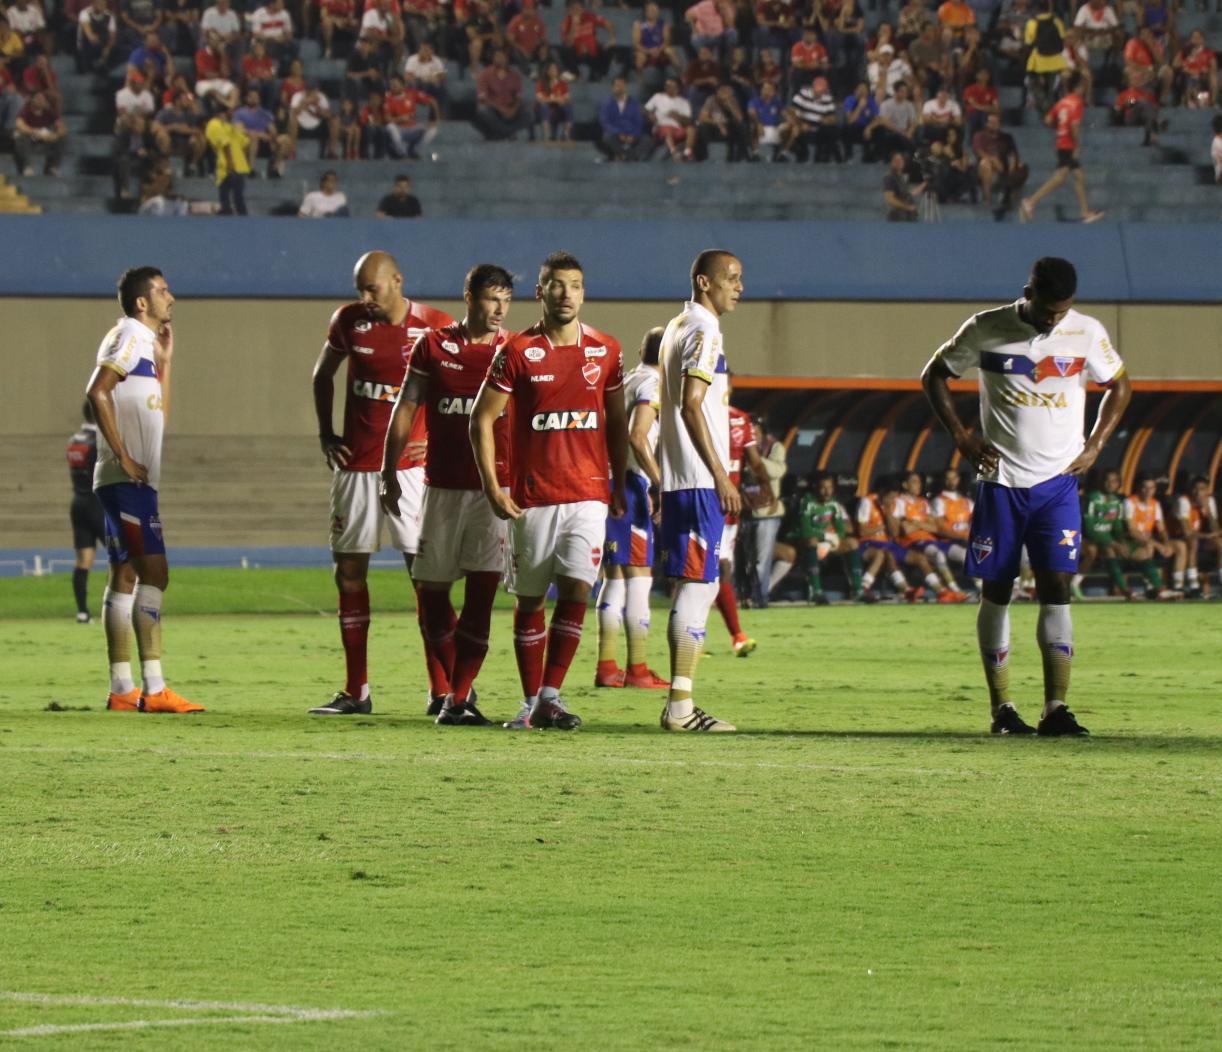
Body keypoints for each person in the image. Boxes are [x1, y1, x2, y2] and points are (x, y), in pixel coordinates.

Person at [921, 256, 1132, 736]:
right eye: (1048, 310)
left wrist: (1096, 445)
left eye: (1062, 311)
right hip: (1001, 482)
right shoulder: (986, 327)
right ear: (1029, 292)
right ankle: (1002, 709)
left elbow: (1119, 384)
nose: (1054, 319)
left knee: (1057, 588)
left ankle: (1056, 708)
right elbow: (933, 374)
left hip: (1057, 483)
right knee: (998, 591)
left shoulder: (1085, 332)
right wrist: (961, 436)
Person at [469, 251, 629, 731]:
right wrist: (493, 487)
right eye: (556, 285)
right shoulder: (518, 351)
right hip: (533, 498)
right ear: (540, 292)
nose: (566, 294)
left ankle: (550, 697)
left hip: (588, 495)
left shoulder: (606, 349)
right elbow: (482, 418)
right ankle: (528, 701)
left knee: (579, 588)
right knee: (531, 601)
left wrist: (620, 481)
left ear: (584, 292)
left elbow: (617, 422)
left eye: (575, 285)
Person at [308, 251, 454, 715]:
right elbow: (322, 374)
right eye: (359, 289)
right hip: (355, 468)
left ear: (397, 281)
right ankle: (357, 691)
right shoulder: (348, 321)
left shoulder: (434, 325)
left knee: (427, 580)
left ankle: (444, 691)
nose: (364, 298)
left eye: (372, 288)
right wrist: (327, 435)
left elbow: (458, 389)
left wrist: (433, 440)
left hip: (412, 473)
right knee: (349, 575)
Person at [379, 264, 514, 726]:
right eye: (491, 298)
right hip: (440, 488)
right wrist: (388, 468)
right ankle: (457, 690)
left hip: (491, 491)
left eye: (505, 301)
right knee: (431, 591)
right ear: (469, 296)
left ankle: (457, 698)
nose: (498, 309)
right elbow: (406, 407)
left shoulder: (512, 351)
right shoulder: (433, 346)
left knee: (480, 596)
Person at [84, 268, 202, 714]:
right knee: (156, 575)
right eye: (162, 290)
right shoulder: (129, 334)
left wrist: (166, 363)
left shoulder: (144, 349)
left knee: (126, 576)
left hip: (129, 483)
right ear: (141, 302)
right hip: (128, 483)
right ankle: (154, 690)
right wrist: (124, 457)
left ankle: (122, 688)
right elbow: (98, 392)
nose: (170, 296)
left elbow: (157, 419)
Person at [655, 250, 744, 732]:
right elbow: (692, 406)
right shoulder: (705, 330)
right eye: (731, 279)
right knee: (697, 585)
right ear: (704, 282)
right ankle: (680, 708)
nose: (739, 287)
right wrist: (722, 473)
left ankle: (681, 703)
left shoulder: (676, 326)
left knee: (703, 583)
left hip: (682, 479)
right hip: (697, 479)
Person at [595, 328, 670, 691]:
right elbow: (637, 436)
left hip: (604, 481)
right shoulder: (654, 384)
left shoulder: (626, 379)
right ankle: (637, 668)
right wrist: (659, 483)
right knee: (640, 577)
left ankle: (608, 666)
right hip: (629, 484)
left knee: (616, 577)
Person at [714, 401, 768, 650]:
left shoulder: (740, 418)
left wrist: (765, 486)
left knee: (721, 570)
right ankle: (693, 637)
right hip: (703, 500)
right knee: (704, 570)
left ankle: (735, 636)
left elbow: (754, 460)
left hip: (730, 506)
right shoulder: (694, 409)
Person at [1020, 73, 1104, 223]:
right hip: (1068, 144)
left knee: (1078, 176)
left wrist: (1060, 128)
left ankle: (1085, 212)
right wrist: (1076, 145)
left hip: (1060, 141)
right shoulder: (1077, 103)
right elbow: (1074, 126)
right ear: (1079, 87)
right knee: (1059, 178)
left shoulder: (1062, 102)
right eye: (1083, 87)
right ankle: (1031, 202)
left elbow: (1048, 120)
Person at [66, 402, 108, 624]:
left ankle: (82, 612)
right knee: (121, 558)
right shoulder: (99, 441)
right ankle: (116, 609)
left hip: (78, 502)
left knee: (84, 559)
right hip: (97, 504)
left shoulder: (74, 440)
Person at [1124, 475, 1186, 599]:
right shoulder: (1130, 502)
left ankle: (1178, 585)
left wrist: (1166, 543)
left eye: (1151, 488)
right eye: (1144, 488)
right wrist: (1158, 545)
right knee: (1149, 546)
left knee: (1180, 546)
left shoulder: (1155, 504)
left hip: (1149, 540)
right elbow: (1132, 531)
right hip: (1130, 541)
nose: (1148, 491)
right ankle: (1152, 587)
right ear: (1138, 488)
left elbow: (1161, 529)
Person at [1076, 467, 1131, 597]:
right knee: (1093, 550)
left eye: (1114, 481)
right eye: (1107, 480)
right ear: (1101, 482)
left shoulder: (1116, 502)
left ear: (1118, 484)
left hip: (1106, 540)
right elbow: (1089, 529)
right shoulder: (1092, 498)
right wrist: (1113, 543)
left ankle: (1125, 588)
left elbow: (1117, 527)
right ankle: (1074, 583)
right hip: (1080, 537)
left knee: (1118, 550)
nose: (1110, 484)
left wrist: (1122, 542)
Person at [1174, 476, 1221, 598]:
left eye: (1202, 489)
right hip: (1179, 537)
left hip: (1201, 538)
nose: (1199, 493)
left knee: (1220, 543)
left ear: (1207, 491)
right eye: (1195, 489)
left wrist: (1208, 511)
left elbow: (1215, 530)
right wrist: (1206, 536)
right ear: (1190, 490)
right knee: (1192, 542)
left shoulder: (1209, 501)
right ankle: (1194, 586)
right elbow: (1186, 532)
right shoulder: (1183, 501)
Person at [205, 99, 250, 215]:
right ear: (222, 112)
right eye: (230, 111)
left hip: (234, 166)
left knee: (233, 197)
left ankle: (232, 215)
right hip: (228, 165)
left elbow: (245, 143)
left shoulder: (230, 126)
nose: (232, 113)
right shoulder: (214, 124)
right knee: (234, 197)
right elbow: (225, 145)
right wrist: (231, 163)